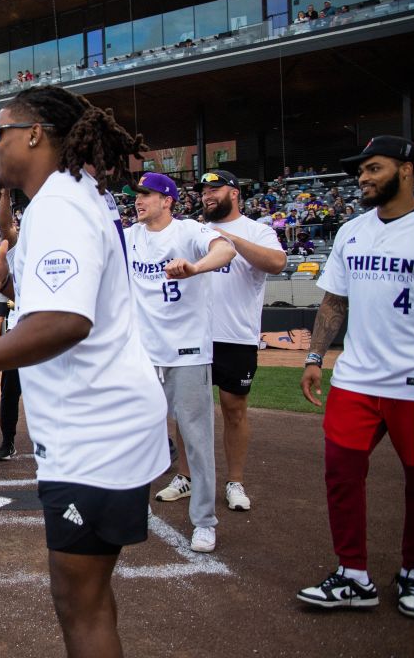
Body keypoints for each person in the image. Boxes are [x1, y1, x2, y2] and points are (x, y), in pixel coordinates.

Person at [0, 85, 168, 658]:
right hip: (97, 421)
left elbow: (66, 321)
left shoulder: (60, 204)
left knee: (78, 602)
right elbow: (69, 297)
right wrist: (8, 281)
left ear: (34, 133)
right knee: (86, 595)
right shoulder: (65, 198)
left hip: (97, 429)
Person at [297, 136, 414, 619]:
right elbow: (333, 303)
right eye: (361, 171)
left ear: (406, 170)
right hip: (357, 379)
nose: (364, 178)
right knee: (342, 474)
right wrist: (313, 356)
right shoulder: (351, 230)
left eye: (374, 168)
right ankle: (353, 576)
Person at [126, 172, 235, 552]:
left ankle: (204, 521)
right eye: (136, 194)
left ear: (167, 200)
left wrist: (195, 267)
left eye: (146, 194)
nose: (138, 200)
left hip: (187, 351)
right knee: (138, 435)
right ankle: (135, 507)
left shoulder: (189, 231)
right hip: (143, 354)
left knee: (196, 437)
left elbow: (226, 251)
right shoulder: (129, 236)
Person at [198, 170, 287, 512]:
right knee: (189, 411)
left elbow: (277, 263)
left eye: (214, 189)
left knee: (234, 410)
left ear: (234, 193)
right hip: (197, 334)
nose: (207, 195)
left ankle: (235, 481)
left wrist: (227, 238)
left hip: (236, 336)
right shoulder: (195, 229)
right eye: (204, 190)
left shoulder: (257, 230)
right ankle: (188, 477)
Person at [0, 183, 22, 461]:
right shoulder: (20, 245)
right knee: (9, 390)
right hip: (20, 328)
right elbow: (4, 226)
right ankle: (8, 440)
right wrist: (5, 194)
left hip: (49, 328)